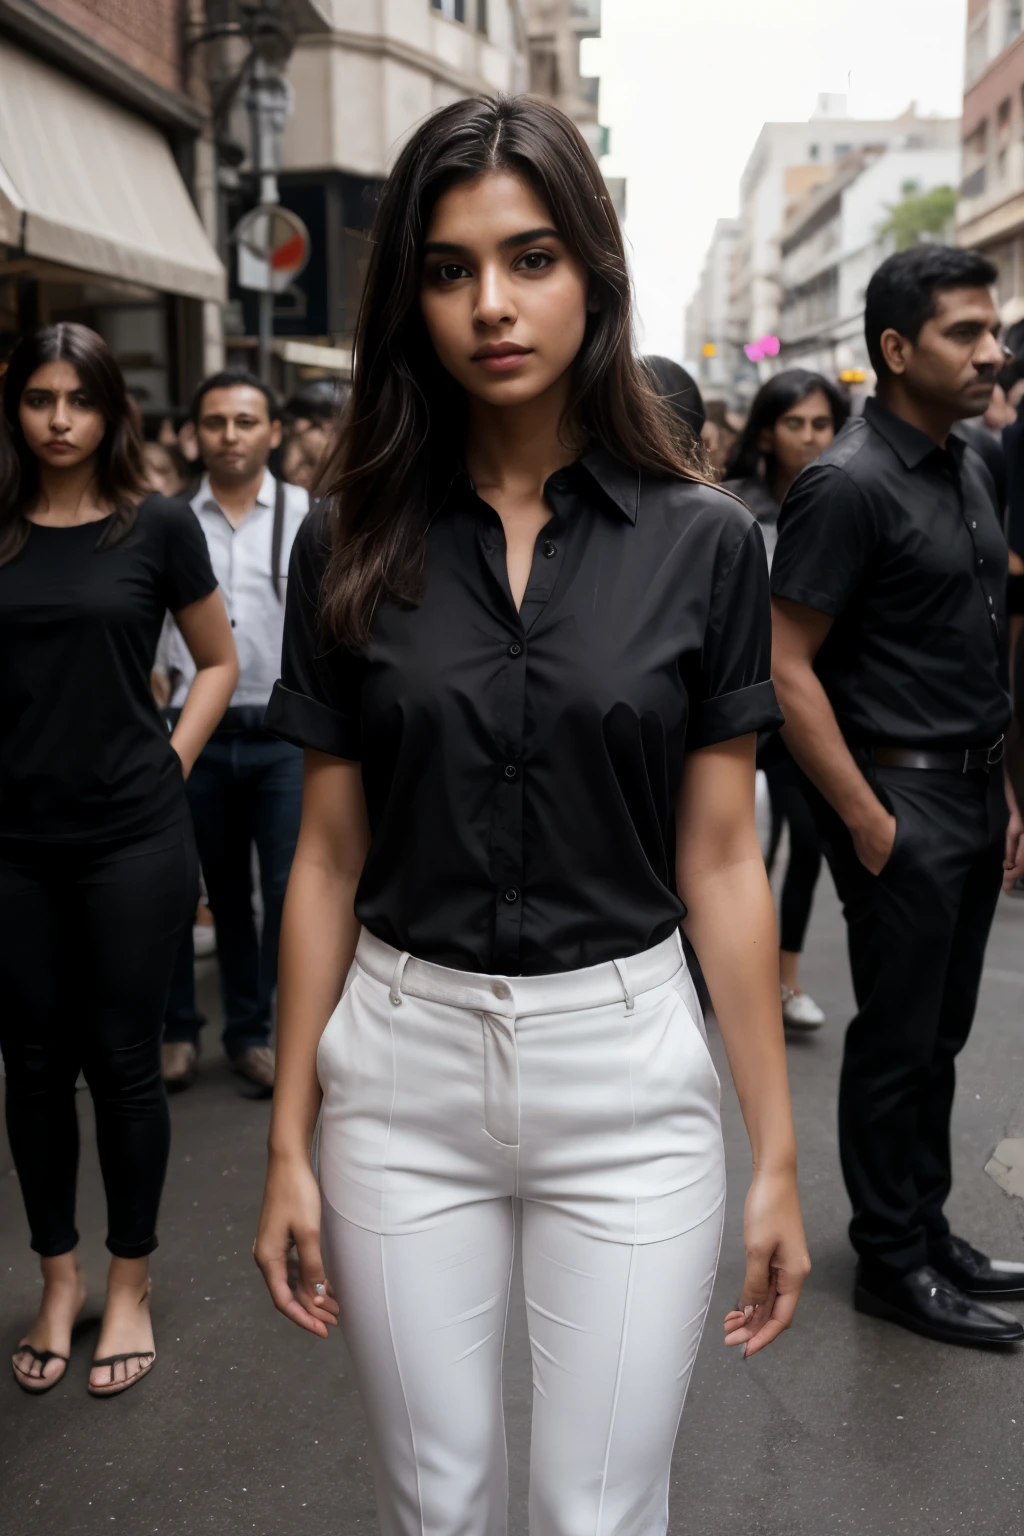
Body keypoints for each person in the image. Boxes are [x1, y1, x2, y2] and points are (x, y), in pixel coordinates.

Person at [253, 94, 809, 1536]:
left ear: (595, 276)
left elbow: (723, 861)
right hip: (400, 1067)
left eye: (532, 256)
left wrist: (779, 1157)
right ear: (410, 298)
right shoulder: (350, 530)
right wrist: (288, 1142)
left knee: (598, 1513)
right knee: (436, 1506)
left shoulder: (702, 545)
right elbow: (323, 855)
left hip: (627, 1075)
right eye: (449, 268)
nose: (492, 303)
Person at [771, 245, 1024, 1347]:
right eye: (966, 333)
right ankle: (889, 1259)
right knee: (896, 1041)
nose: (993, 351)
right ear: (893, 349)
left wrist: (1004, 792)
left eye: (992, 329)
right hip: (899, 802)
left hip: (972, 792)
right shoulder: (847, 481)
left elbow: (972, 646)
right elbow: (783, 666)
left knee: (942, 1034)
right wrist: (867, 820)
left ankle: (925, 1227)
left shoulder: (968, 461)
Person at [0, 324, 237, 1396]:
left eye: (79, 400)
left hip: (133, 838)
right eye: (40, 399)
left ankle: (128, 1281)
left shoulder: (156, 528)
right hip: (14, 844)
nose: (58, 420)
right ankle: (58, 1277)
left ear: (111, 411)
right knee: (35, 1068)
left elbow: (219, 661)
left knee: (124, 1062)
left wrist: (172, 764)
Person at [159, 372, 310, 1096]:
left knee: (283, 890)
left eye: (245, 421)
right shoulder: (170, 519)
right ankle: (185, 1034)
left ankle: (254, 1032)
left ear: (272, 432)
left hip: (282, 734)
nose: (230, 434)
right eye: (215, 422)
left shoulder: (311, 515)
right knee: (209, 892)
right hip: (199, 731)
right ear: (196, 434)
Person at [724, 370, 849, 1029]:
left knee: (806, 841)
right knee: (737, 842)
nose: (808, 436)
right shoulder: (733, 503)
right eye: (794, 422)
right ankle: (724, 973)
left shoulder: (843, 497)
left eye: (821, 423)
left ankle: (785, 981)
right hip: (734, 701)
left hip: (804, 701)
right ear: (768, 429)